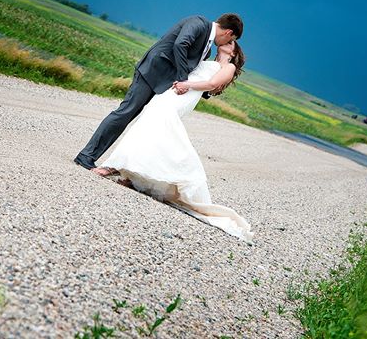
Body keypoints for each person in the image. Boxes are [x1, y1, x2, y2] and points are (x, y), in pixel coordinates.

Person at [97, 39, 253, 242]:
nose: (227, 41)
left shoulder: (229, 66)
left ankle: (115, 167)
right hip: (176, 90)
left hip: (186, 93)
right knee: (151, 125)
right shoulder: (207, 58)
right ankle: (133, 175)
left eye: (232, 42)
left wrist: (186, 84)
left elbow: (212, 84)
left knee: (161, 124)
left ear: (233, 52)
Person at [74, 13, 243, 172]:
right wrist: (183, 79)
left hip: (164, 84)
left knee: (146, 122)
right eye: (232, 39)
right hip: (152, 73)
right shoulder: (198, 23)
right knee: (125, 113)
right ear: (229, 32)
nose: (226, 43)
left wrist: (203, 90)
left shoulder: (207, 49)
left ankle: (133, 167)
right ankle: (86, 156)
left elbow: (197, 71)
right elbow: (180, 44)